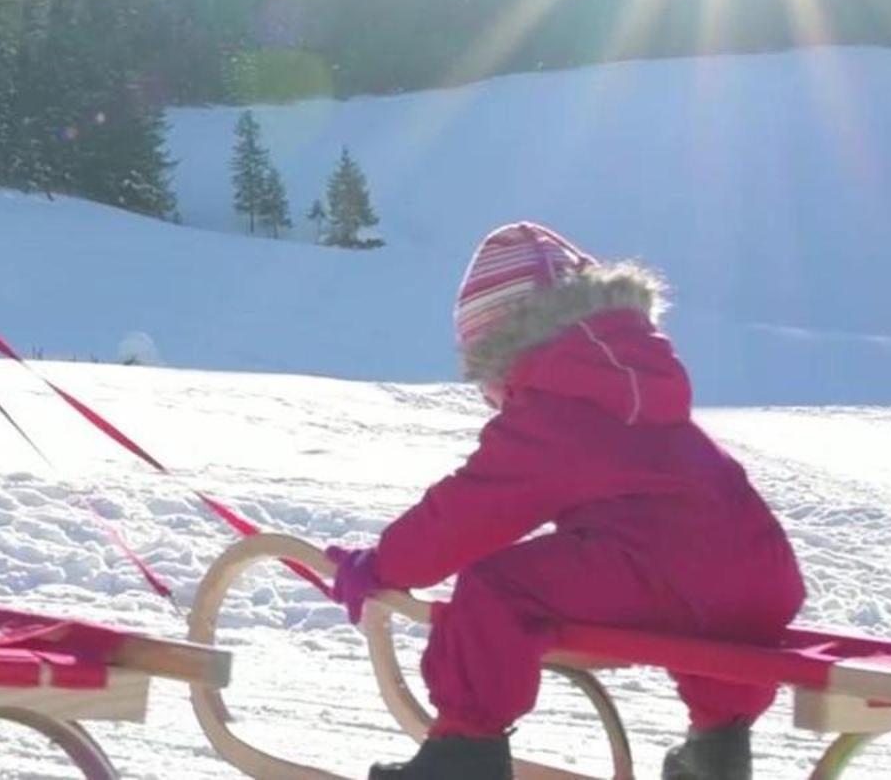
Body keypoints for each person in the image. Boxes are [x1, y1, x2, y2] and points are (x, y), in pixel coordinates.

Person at [328, 222, 805, 780]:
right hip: (764, 572)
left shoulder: (561, 393)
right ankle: (717, 753)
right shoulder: (627, 376)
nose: (491, 395)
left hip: (667, 571)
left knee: (498, 587)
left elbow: (474, 509)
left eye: (487, 373)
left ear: (508, 343)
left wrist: (384, 565)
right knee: (708, 606)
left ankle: (464, 756)